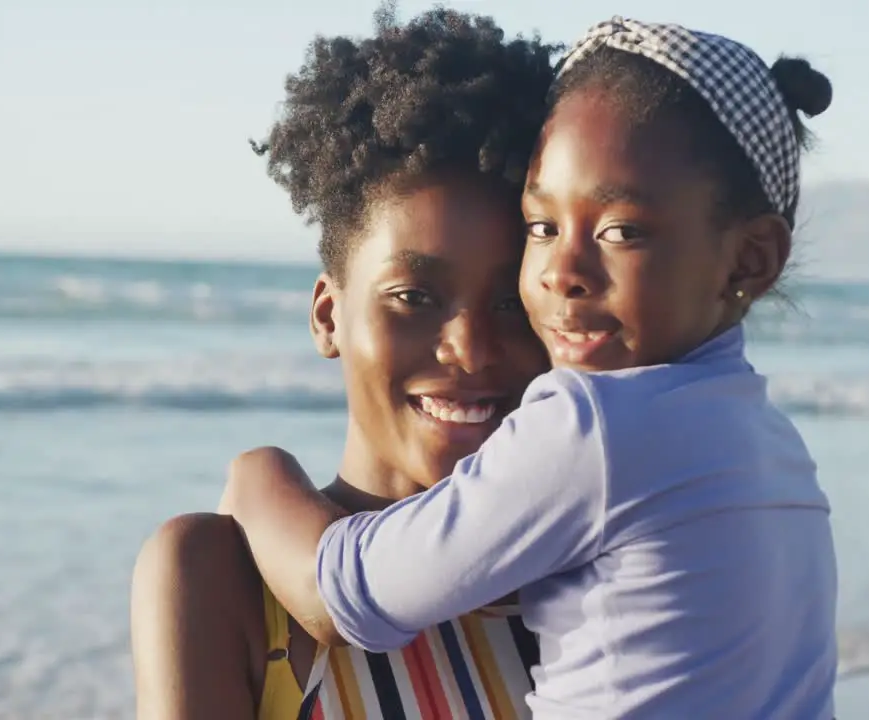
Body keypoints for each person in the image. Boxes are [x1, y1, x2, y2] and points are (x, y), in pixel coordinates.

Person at [224, 16, 839, 719]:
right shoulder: (776, 448)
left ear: (751, 258)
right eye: (542, 228)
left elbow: (343, 591)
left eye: (621, 231)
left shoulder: (594, 427)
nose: (561, 272)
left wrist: (257, 478)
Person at [129, 6, 556, 718]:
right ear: (330, 315)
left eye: (513, 302)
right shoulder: (225, 579)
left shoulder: (603, 574)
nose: (473, 347)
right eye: (414, 296)